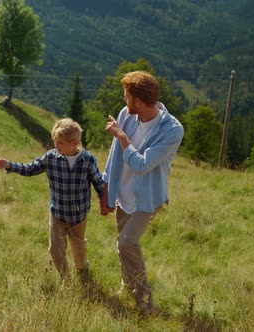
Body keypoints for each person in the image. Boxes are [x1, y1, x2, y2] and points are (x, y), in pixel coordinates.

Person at [100, 71, 184, 314]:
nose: (124, 101)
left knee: (127, 242)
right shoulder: (126, 114)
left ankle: (146, 300)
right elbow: (114, 157)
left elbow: (141, 164)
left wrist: (122, 136)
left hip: (147, 199)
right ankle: (127, 286)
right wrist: (107, 190)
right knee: (122, 245)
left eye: (127, 97)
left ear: (138, 100)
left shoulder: (171, 130)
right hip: (122, 194)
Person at [0, 118, 105, 280]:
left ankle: (83, 269)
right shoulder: (51, 158)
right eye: (55, 142)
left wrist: (105, 202)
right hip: (57, 213)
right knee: (55, 250)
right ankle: (65, 280)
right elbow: (30, 168)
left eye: (60, 143)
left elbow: (98, 182)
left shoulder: (88, 160)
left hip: (78, 216)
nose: (56, 146)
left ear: (74, 143)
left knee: (78, 251)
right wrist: (9, 165)